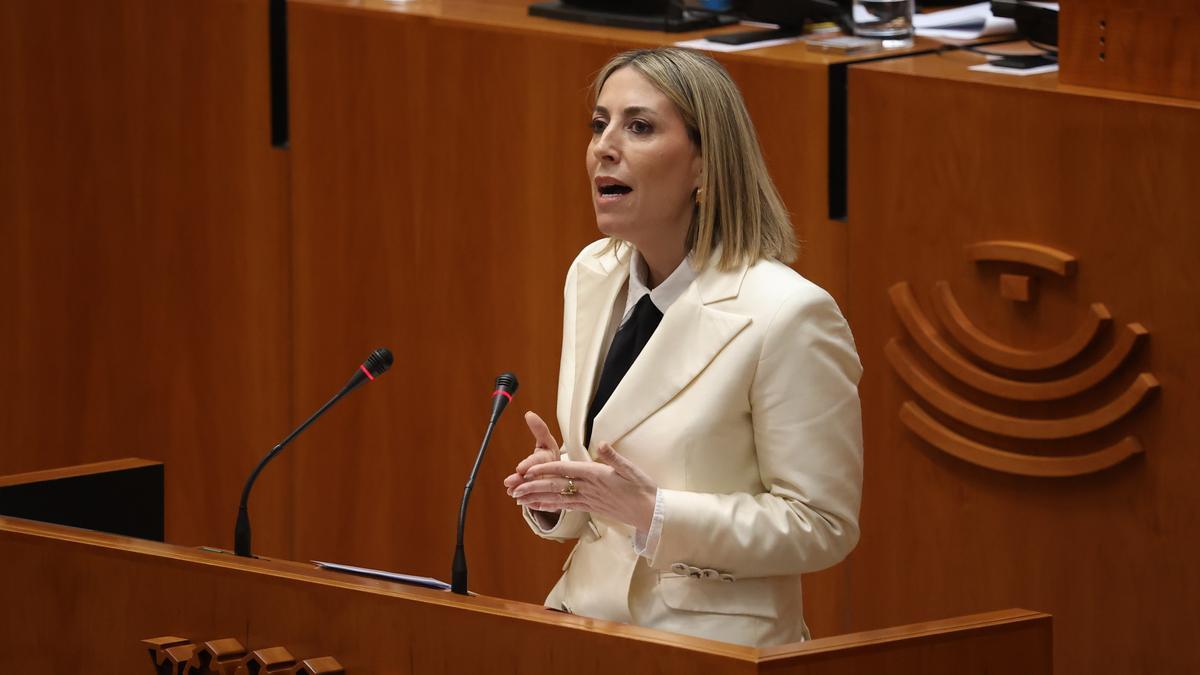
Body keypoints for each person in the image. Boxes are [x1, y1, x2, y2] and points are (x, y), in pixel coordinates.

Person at [503, 47, 863, 647]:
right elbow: (610, 482)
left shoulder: (787, 313)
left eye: (639, 127)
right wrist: (562, 489)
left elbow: (821, 524)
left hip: (711, 649)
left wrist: (656, 513)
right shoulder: (593, 273)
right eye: (599, 124)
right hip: (581, 626)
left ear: (704, 163)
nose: (604, 147)